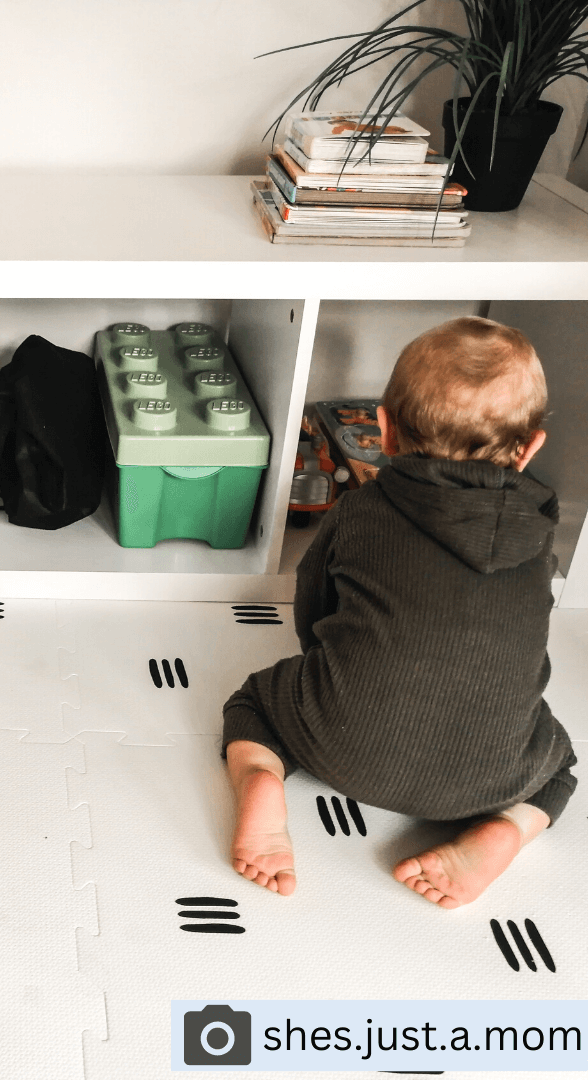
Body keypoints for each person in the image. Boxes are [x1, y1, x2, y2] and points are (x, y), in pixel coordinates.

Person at [222, 317, 577, 908]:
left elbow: (313, 608)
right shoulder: (539, 536)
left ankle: (262, 777)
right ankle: (509, 827)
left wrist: (341, 668)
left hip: (338, 744)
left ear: (382, 429)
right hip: (489, 776)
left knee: (253, 702)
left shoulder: (363, 510)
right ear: (531, 447)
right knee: (559, 766)